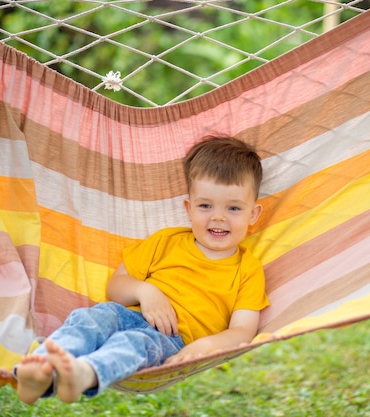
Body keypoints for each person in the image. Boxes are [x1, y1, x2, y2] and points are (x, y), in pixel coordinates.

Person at [15, 135, 270, 404]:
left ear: (253, 214)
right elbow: (115, 287)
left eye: (233, 208)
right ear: (189, 208)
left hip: (174, 340)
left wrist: (206, 346)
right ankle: (41, 368)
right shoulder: (165, 241)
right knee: (92, 318)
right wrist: (146, 291)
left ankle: (84, 374)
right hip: (126, 314)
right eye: (205, 205)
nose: (218, 217)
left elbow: (243, 331)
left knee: (133, 345)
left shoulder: (248, 269)